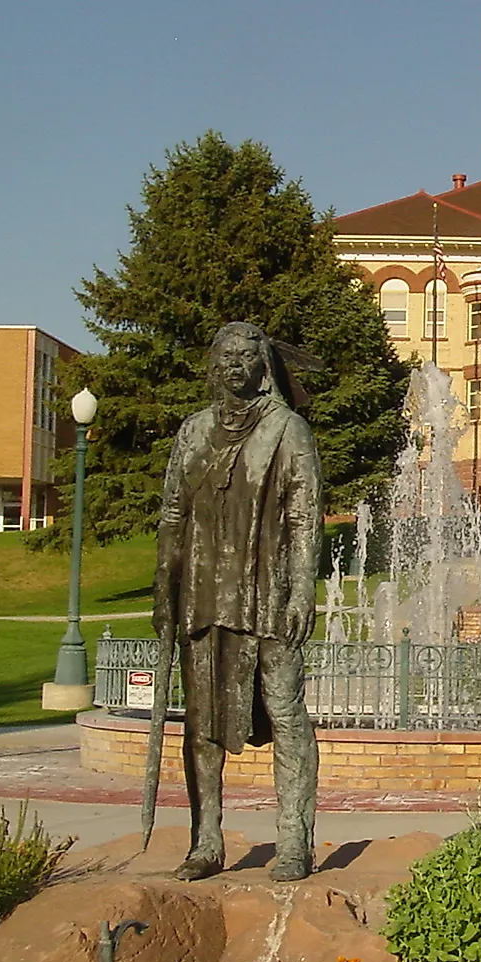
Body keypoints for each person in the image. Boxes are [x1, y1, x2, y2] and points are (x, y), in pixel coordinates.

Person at [152, 322, 322, 882]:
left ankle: (293, 840)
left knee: (286, 711)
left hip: (269, 590)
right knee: (200, 723)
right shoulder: (194, 432)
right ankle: (206, 841)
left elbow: (304, 516)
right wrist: (164, 587)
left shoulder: (287, 430)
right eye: (225, 356)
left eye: (246, 356)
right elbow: (172, 515)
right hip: (203, 592)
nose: (234, 365)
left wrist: (303, 589)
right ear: (213, 365)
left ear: (263, 368)